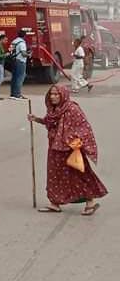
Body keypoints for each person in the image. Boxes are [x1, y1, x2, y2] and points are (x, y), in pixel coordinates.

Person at [28, 85, 107, 215]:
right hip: (55, 148)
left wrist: (72, 140)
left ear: (63, 95)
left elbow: (84, 128)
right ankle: (55, 203)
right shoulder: (53, 109)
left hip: (70, 149)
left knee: (80, 175)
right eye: (51, 94)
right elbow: (49, 122)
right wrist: (36, 119)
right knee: (55, 175)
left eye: (56, 94)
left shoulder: (72, 108)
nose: (53, 97)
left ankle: (90, 202)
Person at [9, 29, 29, 100]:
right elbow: (23, 54)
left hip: (13, 61)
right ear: (24, 36)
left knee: (14, 77)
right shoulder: (22, 43)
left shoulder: (13, 41)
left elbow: (10, 51)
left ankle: (12, 94)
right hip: (20, 61)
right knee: (20, 77)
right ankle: (17, 94)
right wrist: (29, 55)